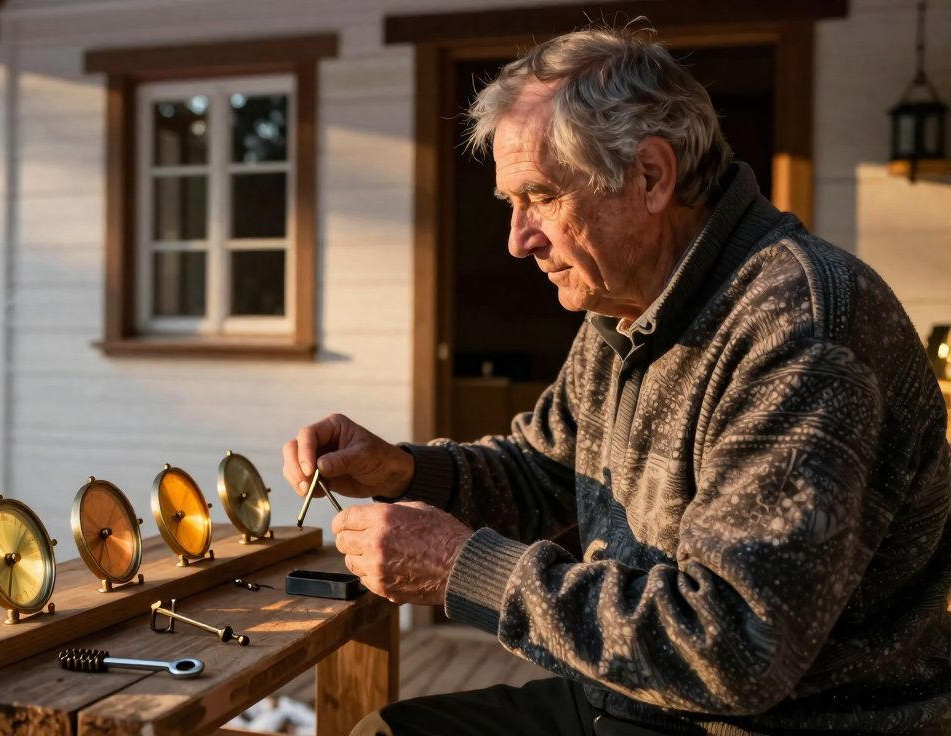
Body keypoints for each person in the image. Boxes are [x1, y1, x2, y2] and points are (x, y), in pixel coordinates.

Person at [282, 23, 951, 736]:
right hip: (633, 702)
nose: (517, 240)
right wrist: (404, 469)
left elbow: (736, 646)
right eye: (512, 203)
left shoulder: (801, 329)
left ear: (651, 176)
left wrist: (459, 570)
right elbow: (545, 474)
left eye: (539, 196)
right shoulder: (628, 310)